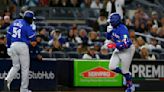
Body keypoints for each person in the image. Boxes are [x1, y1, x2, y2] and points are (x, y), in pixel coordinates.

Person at [4, 10, 36, 92]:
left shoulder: (15, 22)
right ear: (29, 19)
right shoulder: (27, 25)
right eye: (32, 19)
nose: (32, 20)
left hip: (13, 45)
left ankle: (8, 79)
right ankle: (24, 89)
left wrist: (8, 47)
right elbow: (33, 39)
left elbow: (8, 35)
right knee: (25, 68)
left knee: (15, 66)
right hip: (22, 46)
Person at [105, 13, 135, 92]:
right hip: (118, 48)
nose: (110, 23)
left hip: (127, 50)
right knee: (112, 67)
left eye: (111, 21)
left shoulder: (123, 29)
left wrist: (115, 45)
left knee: (125, 70)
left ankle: (130, 86)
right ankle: (127, 75)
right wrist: (108, 32)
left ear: (115, 21)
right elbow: (108, 37)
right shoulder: (112, 27)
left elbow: (126, 44)